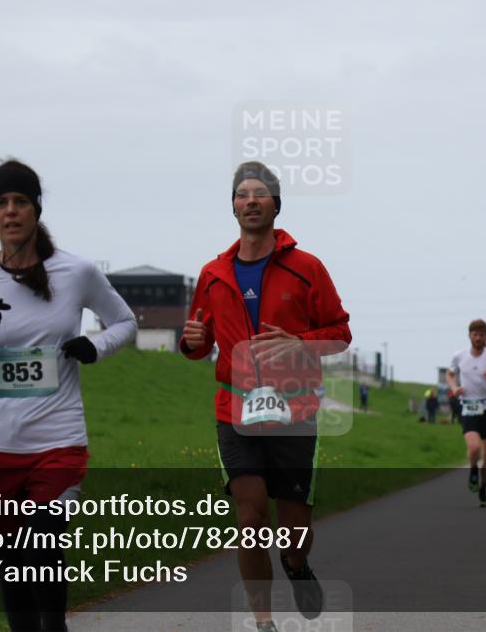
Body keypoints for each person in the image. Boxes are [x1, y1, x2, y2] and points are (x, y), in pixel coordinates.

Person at [0, 158, 137, 632]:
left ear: (36, 210)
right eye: (1, 203)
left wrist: (94, 346)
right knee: (10, 557)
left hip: (58, 438)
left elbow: (127, 324)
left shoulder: (76, 272)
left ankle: (57, 626)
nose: (11, 212)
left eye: (21, 202)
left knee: (43, 543)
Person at [180, 161, 351, 631]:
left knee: (293, 532)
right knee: (250, 519)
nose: (250, 200)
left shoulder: (306, 268)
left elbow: (340, 333)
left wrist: (302, 343)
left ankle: (296, 566)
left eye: (259, 193)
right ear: (233, 205)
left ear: (276, 204)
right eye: (241, 194)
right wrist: (192, 340)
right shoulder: (213, 273)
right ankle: (262, 621)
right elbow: (199, 343)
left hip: (294, 410)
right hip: (235, 409)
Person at [446, 319, 486, 508]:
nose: (479, 338)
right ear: (470, 335)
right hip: (469, 408)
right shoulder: (460, 356)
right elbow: (450, 374)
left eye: (482, 335)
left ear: (485, 337)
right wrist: (454, 387)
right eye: (475, 334)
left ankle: (483, 488)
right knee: (474, 448)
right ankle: (473, 469)